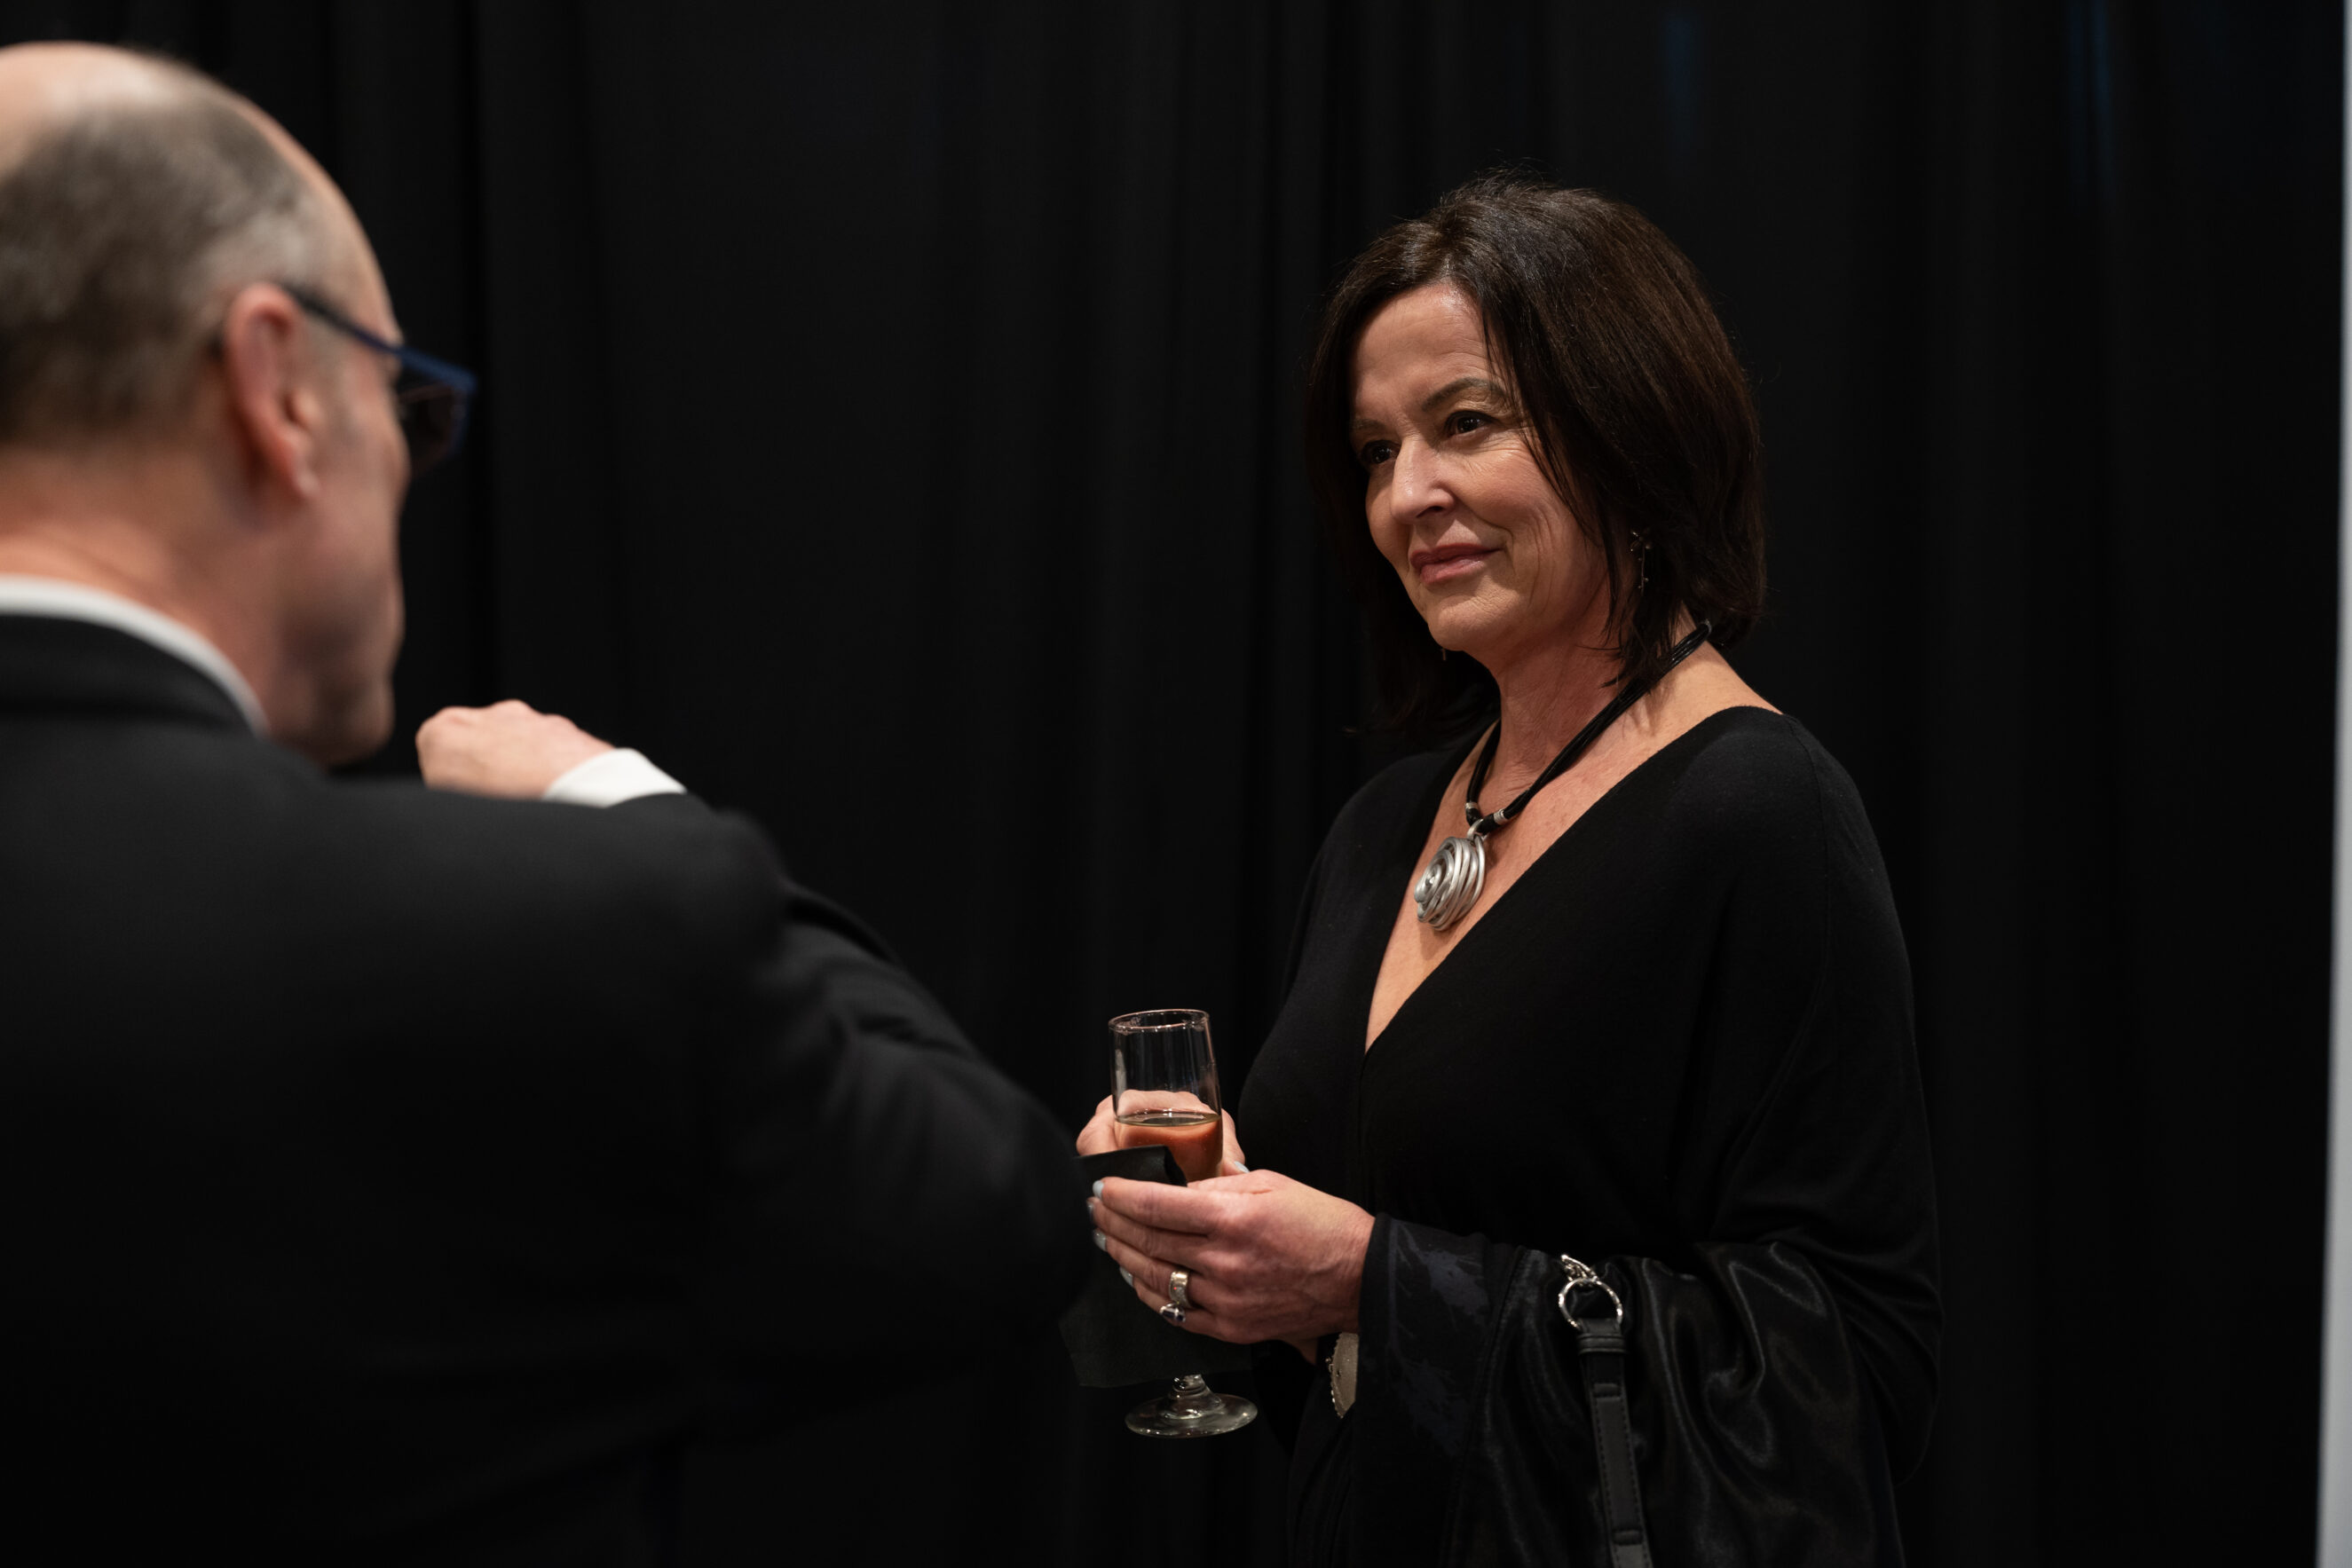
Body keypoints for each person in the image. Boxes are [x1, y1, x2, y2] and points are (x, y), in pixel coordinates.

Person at [0, 43, 1086, 1563]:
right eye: (403, 403)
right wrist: (622, 806)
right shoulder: (555, 934)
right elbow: (995, 1210)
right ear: (278, 391)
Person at [1080, 175, 1940, 1564]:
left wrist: (1369, 1280)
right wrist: (1217, 1238)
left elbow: (1845, 1370)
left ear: (1628, 422)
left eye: (1466, 423)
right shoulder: (1380, 829)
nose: (1406, 495)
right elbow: (1348, 1318)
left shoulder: (1756, 813)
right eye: (1374, 450)